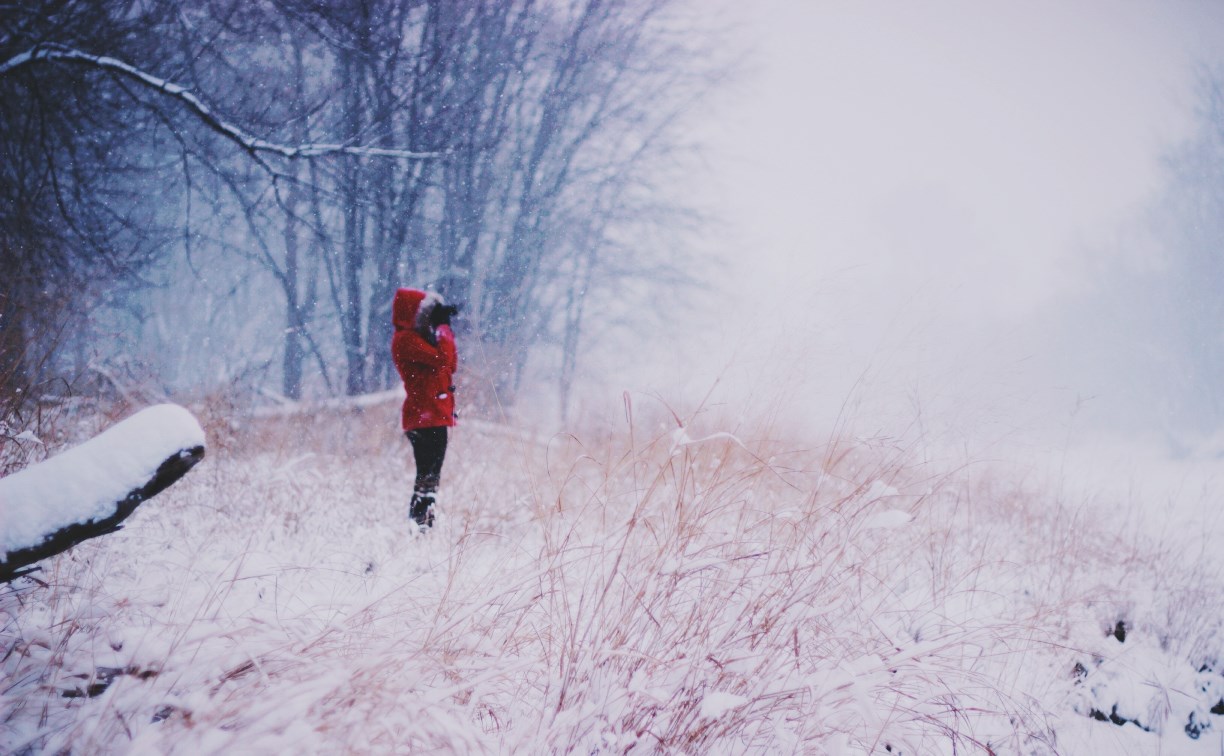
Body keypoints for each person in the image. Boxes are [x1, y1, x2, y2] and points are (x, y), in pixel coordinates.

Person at [390, 288, 458, 531]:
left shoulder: (418, 339)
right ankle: (420, 526)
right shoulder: (406, 340)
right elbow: (443, 359)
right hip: (424, 417)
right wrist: (443, 329)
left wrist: (441, 329)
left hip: (432, 415)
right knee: (427, 476)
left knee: (431, 477)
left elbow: (450, 363)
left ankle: (423, 525)